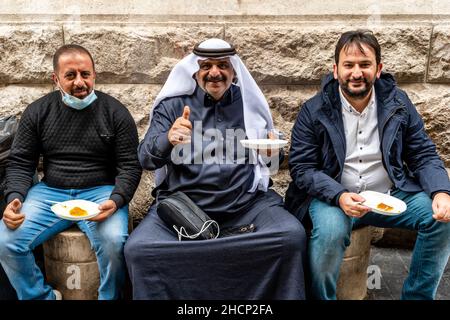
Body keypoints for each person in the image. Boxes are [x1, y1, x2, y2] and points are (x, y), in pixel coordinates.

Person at [124, 38, 306, 300]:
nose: (214, 72)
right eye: (206, 65)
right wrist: (168, 138)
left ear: (233, 70)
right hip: (186, 209)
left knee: (290, 238)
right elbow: (145, 159)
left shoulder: (248, 104)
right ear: (195, 71)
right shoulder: (174, 105)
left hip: (246, 206)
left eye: (222, 65)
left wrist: (270, 154)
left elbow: (269, 165)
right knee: (139, 250)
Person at [285, 29, 450, 300]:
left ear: (379, 68)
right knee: (329, 236)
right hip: (334, 197)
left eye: (365, 64)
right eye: (349, 65)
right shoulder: (314, 110)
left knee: (442, 220)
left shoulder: (398, 103)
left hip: (389, 194)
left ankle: (417, 297)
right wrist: (338, 195)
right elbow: (302, 168)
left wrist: (442, 192)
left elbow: (422, 153)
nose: (357, 72)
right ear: (336, 70)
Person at [0, 44, 142, 300]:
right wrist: (14, 198)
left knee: (113, 242)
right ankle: (40, 297)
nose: (80, 82)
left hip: (101, 193)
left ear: (94, 74)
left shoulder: (116, 112)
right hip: (50, 192)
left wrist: (117, 198)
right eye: (70, 75)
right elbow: (21, 161)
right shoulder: (38, 112)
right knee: (5, 240)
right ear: (55, 79)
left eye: (85, 74)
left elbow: (130, 164)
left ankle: (109, 297)